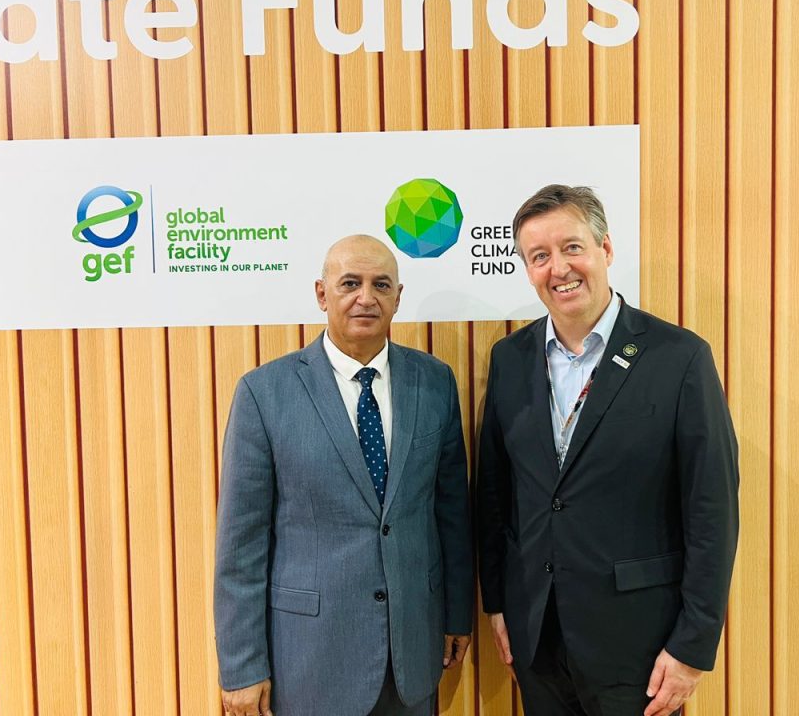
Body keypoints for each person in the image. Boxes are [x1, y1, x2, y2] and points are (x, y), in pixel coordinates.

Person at [476, 185, 739, 716]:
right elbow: (494, 496)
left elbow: (712, 511)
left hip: (640, 648)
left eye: (572, 247)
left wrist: (693, 646)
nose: (559, 268)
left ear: (606, 249)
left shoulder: (679, 358)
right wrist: (499, 604)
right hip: (537, 640)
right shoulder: (510, 359)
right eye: (539, 256)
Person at [215, 234, 473, 716]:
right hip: (310, 661)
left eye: (381, 285)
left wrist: (457, 614)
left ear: (398, 297)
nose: (366, 298)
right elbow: (241, 545)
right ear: (322, 294)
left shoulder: (434, 381)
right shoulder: (264, 393)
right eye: (350, 283)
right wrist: (242, 666)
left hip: (412, 655)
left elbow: (451, 512)